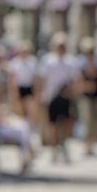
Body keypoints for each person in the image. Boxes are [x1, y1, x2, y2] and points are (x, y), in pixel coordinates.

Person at [35, 33, 78, 164]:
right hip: (50, 97)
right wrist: (40, 94)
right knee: (52, 125)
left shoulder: (70, 62)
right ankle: (54, 149)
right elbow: (41, 79)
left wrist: (70, 92)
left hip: (65, 98)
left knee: (64, 124)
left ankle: (63, 146)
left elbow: (74, 80)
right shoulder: (48, 61)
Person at [6, 41, 38, 123]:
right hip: (19, 88)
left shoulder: (33, 62)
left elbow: (35, 78)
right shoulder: (14, 63)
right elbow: (12, 78)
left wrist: (36, 91)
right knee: (19, 109)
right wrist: (13, 92)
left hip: (29, 87)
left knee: (31, 108)